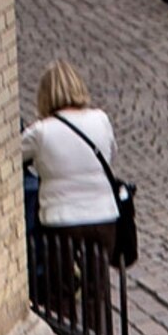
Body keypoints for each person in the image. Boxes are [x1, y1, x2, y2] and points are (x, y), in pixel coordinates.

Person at [21, 60, 120, 319]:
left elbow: (13, 156)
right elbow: (110, 153)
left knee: (61, 292)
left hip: (62, 224)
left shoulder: (40, 132)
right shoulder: (101, 119)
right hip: (104, 219)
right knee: (96, 291)